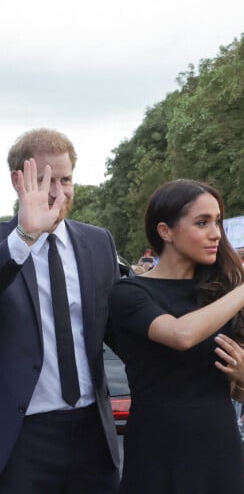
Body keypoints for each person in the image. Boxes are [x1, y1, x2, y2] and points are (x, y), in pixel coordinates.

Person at [0, 129, 120, 493]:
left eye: (66, 179)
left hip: (93, 432)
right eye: (45, 180)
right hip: (24, 435)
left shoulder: (98, 241)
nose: (58, 192)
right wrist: (25, 237)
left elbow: (119, 326)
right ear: (18, 181)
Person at [108, 179, 244, 493]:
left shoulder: (219, 294)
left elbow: (236, 391)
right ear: (165, 231)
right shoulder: (130, 293)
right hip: (159, 451)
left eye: (217, 222)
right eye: (202, 222)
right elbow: (181, 335)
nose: (215, 234)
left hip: (220, 449)